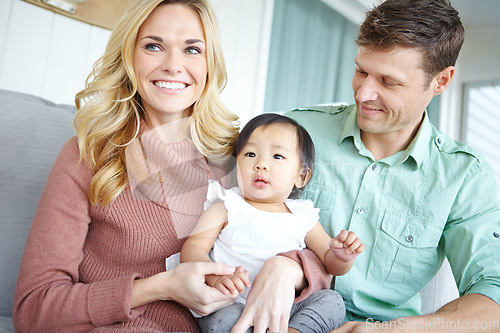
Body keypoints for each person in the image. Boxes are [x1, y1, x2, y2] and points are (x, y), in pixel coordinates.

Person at [13, 1, 331, 332]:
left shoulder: (240, 156)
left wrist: (287, 268)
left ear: (210, 63)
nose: (173, 65)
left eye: (192, 49)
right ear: (129, 56)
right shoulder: (89, 156)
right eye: (153, 46)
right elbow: (34, 308)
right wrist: (161, 286)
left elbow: (314, 253)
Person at [285, 0, 500, 331]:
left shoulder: (464, 177)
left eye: (388, 81)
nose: (363, 93)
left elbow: (493, 296)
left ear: (441, 81)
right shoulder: (296, 131)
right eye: (361, 71)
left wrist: (390, 330)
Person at [180, 113, 365, 332]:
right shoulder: (226, 207)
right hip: (236, 303)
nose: (261, 164)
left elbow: (329, 263)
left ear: (301, 177)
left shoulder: (302, 215)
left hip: (288, 308)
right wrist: (216, 277)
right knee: (222, 318)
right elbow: (192, 249)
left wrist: (342, 256)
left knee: (332, 301)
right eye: (250, 154)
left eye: (277, 156)